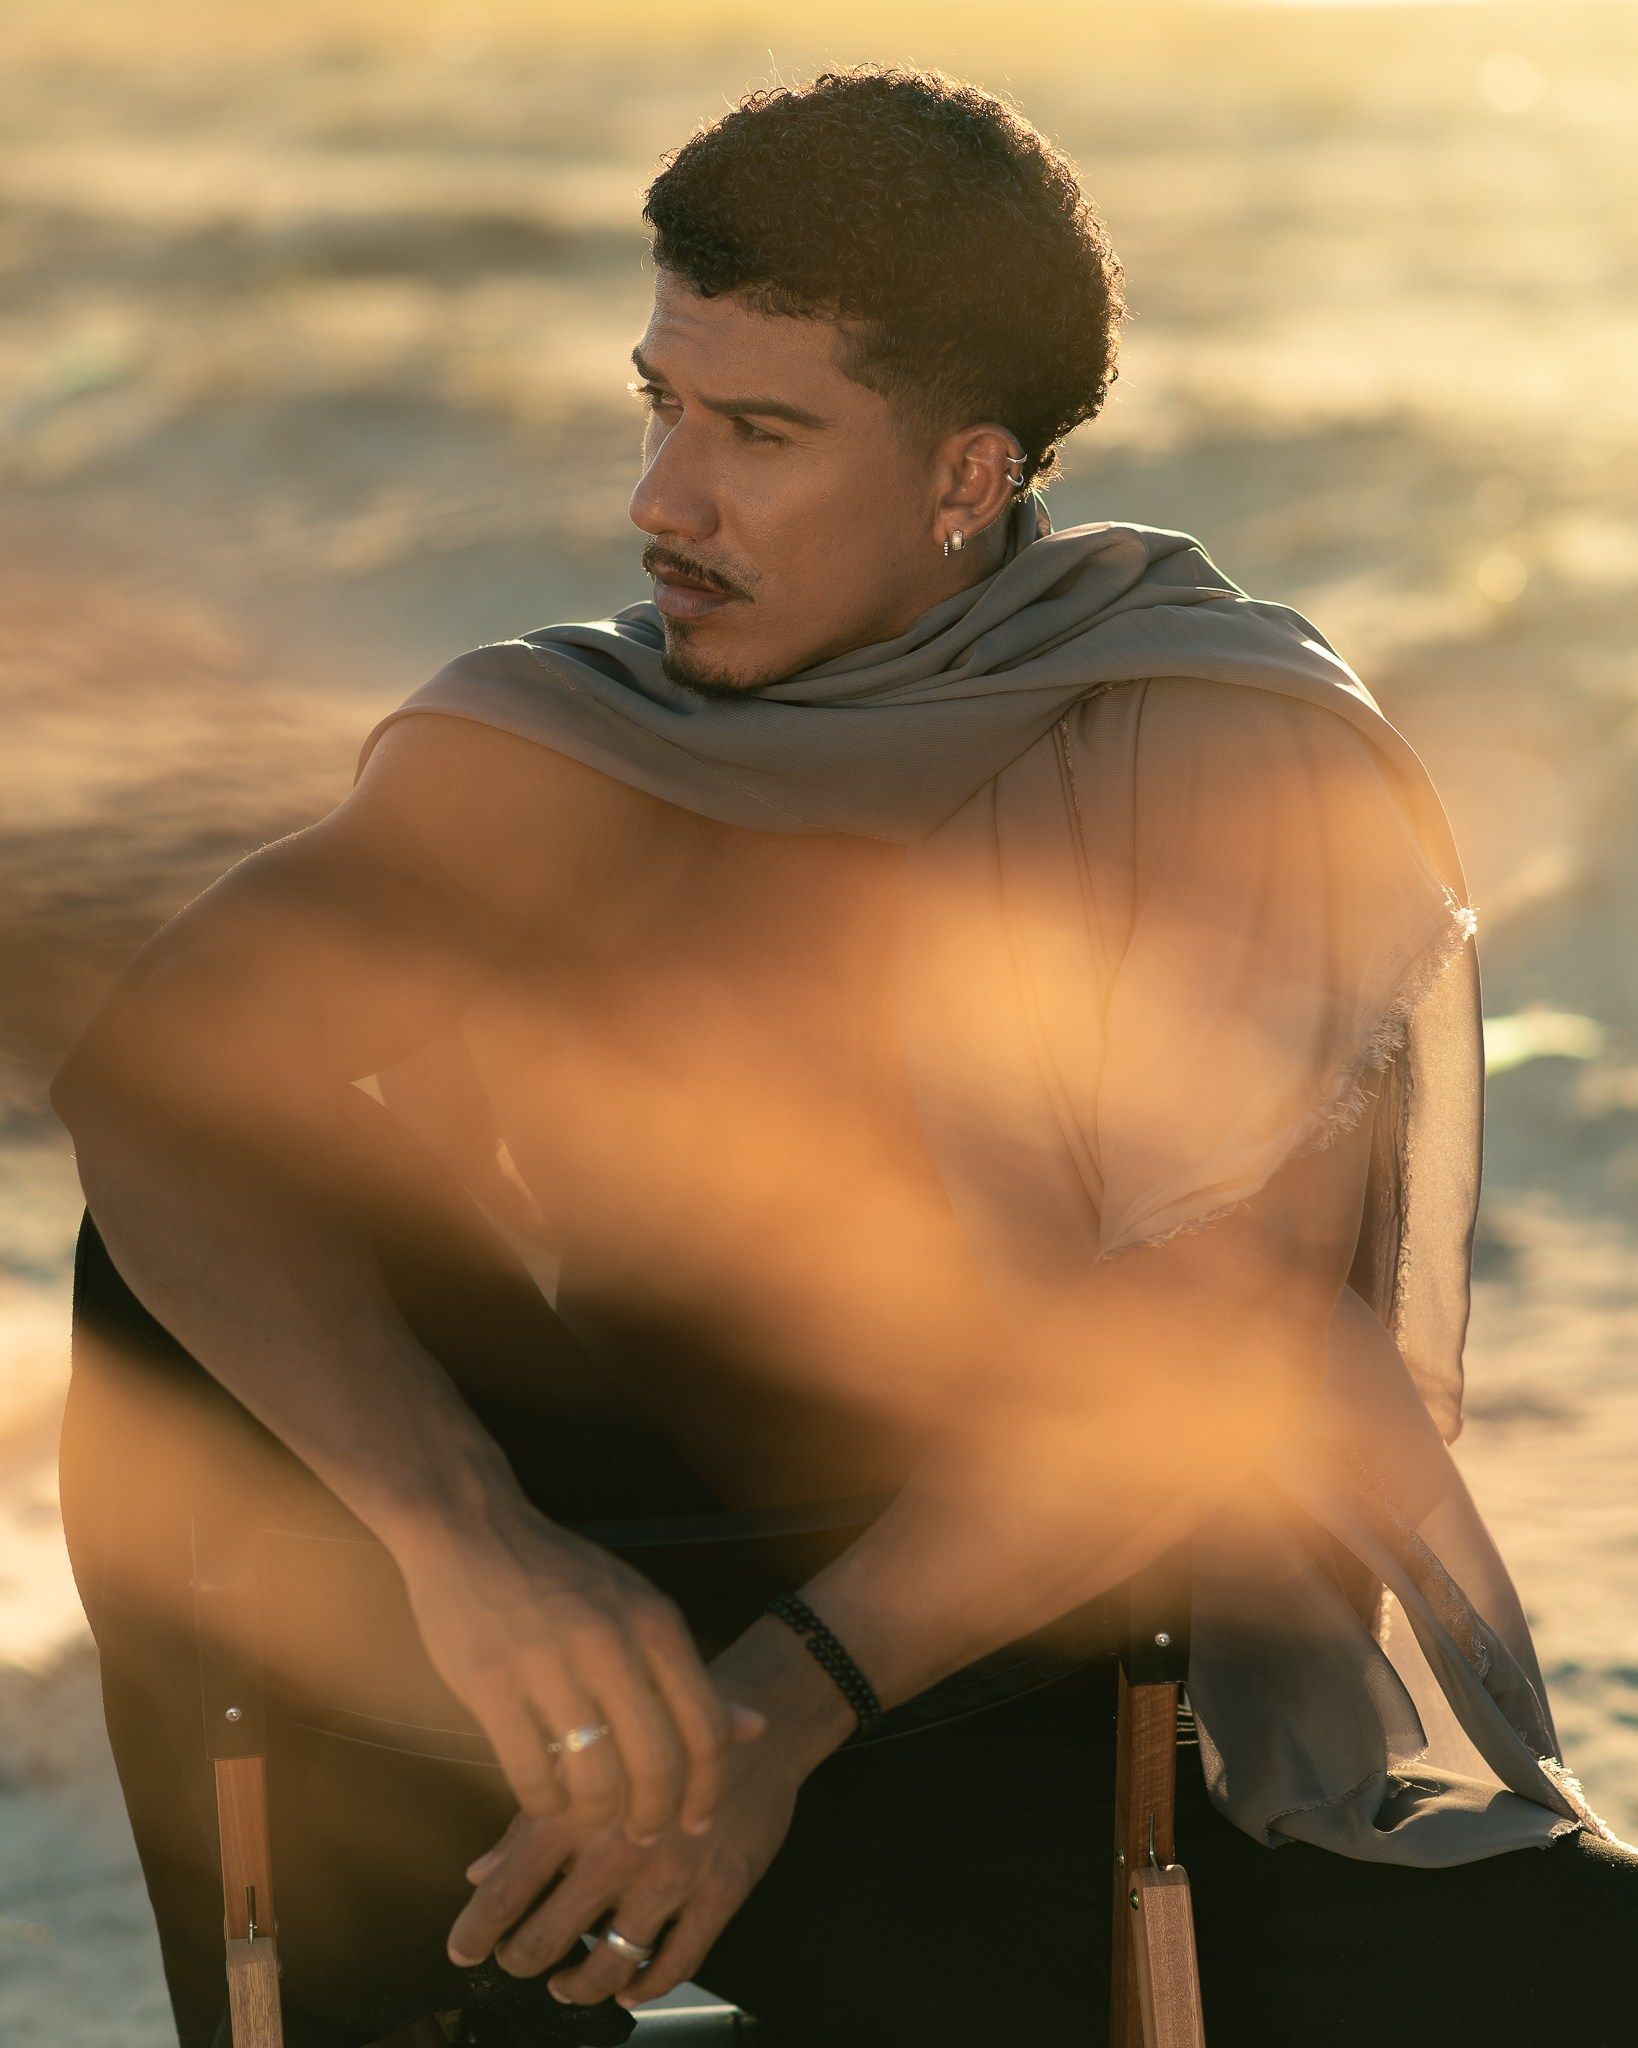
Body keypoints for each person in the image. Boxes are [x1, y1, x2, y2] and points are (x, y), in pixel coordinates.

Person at [54, 67, 1635, 2048]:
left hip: (1019, 1699)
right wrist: (473, 1545)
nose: (663, 499)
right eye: (660, 403)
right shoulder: (576, 743)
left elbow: (1205, 1342)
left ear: (966, 474)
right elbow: (155, 1090)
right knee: (183, 1250)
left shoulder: (1218, 751)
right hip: (589, 1671)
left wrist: (773, 1717)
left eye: (758, 432)